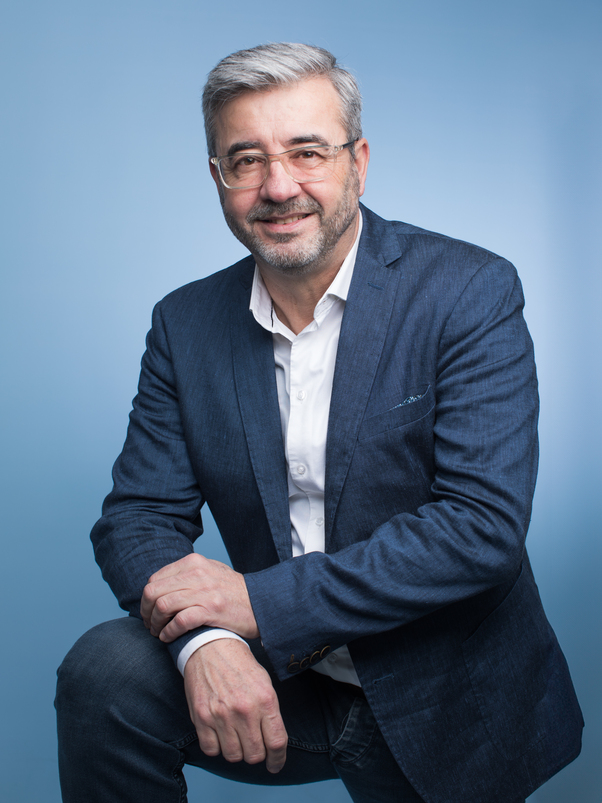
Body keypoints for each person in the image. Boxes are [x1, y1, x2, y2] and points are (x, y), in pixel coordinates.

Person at [55, 43, 583, 803]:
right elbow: (138, 516)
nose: (278, 187)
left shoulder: (468, 290)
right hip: (283, 677)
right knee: (106, 672)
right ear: (217, 177)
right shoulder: (185, 323)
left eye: (307, 152)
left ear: (358, 163)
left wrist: (259, 602)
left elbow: (480, 528)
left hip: (443, 690)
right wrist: (206, 640)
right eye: (246, 161)